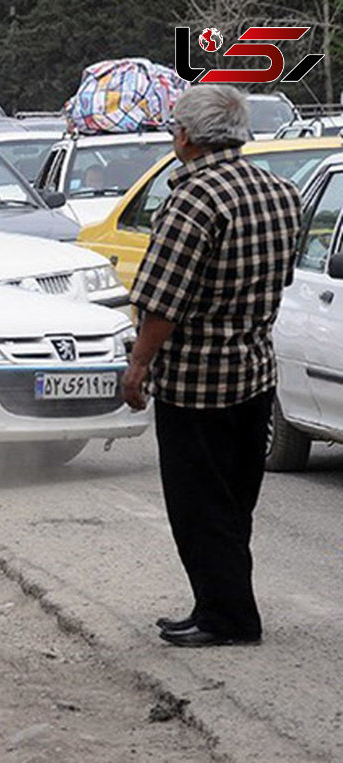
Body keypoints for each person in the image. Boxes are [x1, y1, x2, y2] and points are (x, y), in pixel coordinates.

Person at [124, 85, 302, 648]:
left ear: (186, 136)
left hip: (195, 381)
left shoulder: (193, 199)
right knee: (233, 502)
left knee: (199, 506)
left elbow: (163, 304)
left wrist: (136, 370)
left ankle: (229, 619)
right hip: (254, 370)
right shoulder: (280, 192)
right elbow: (282, 279)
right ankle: (216, 604)